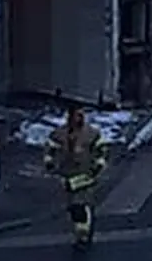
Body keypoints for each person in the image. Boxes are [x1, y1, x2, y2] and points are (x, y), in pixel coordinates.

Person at [44, 105, 108, 247]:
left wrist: (98, 166)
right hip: (68, 174)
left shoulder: (92, 133)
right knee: (73, 205)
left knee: (80, 203)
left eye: (80, 115)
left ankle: (83, 235)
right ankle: (81, 230)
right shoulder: (60, 134)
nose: (77, 119)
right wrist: (49, 163)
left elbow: (101, 150)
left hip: (86, 173)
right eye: (75, 116)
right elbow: (50, 149)